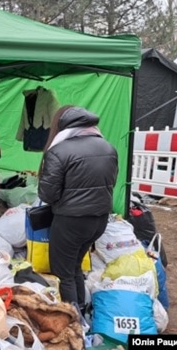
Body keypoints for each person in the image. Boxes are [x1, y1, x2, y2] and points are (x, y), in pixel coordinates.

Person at [38, 105, 118, 308]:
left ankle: (73, 319)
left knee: (63, 272)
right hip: (99, 221)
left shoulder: (58, 151)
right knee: (75, 267)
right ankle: (81, 310)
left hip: (70, 222)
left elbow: (47, 194)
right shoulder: (108, 148)